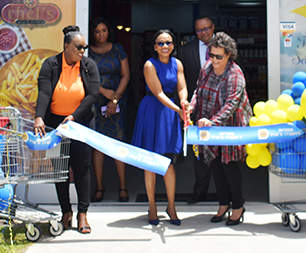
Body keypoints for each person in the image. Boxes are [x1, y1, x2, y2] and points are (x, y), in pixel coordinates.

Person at [34, 25, 100, 235]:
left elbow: (93, 95)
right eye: (79, 47)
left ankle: (83, 214)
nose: (82, 52)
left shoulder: (89, 65)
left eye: (84, 47)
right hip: (56, 126)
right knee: (60, 170)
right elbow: (44, 93)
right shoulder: (50, 65)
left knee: (82, 169)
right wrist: (39, 117)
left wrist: (74, 116)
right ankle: (66, 212)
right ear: (66, 46)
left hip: (80, 124)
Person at [187, 31, 252, 226]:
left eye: (218, 57)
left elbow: (231, 104)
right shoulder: (206, 67)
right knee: (215, 164)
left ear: (229, 55)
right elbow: (198, 90)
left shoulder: (235, 73)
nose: (213, 60)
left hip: (230, 125)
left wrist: (212, 121)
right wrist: (192, 105)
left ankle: (238, 206)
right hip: (209, 123)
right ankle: (223, 204)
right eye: (211, 55)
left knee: (229, 165)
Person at [131, 29, 189, 226]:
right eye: (161, 43)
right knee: (150, 162)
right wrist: (178, 110)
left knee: (169, 163)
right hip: (153, 111)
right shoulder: (149, 64)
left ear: (173, 45)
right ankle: (152, 206)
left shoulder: (177, 63)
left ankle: (171, 206)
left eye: (169, 42)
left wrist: (184, 102)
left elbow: (181, 87)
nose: (166, 46)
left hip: (170, 113)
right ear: (155, 46)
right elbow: (158, 93)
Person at [87, 16, 131, 203]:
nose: (101, 34)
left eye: (104, 30)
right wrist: (104, 92)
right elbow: (84, 77)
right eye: (97, 31)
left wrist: (114, 98)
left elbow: (126, 75)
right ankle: (99, 186)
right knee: (98, 146)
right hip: (95, 102)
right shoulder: (87, 52)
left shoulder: (118, 49)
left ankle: (123, 186)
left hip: (117, 102)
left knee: (118, 143)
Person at [180, 16, 216, 204]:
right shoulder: (186, 50)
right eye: (199, 30)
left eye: (206, 29)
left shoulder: (227, 46)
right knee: (200, 153)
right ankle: (200, 192)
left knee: (224, 151)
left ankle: (226, 194)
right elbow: (182, 81)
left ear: (213, 27)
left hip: (222, 108)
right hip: (198, 108)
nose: (203, 33)